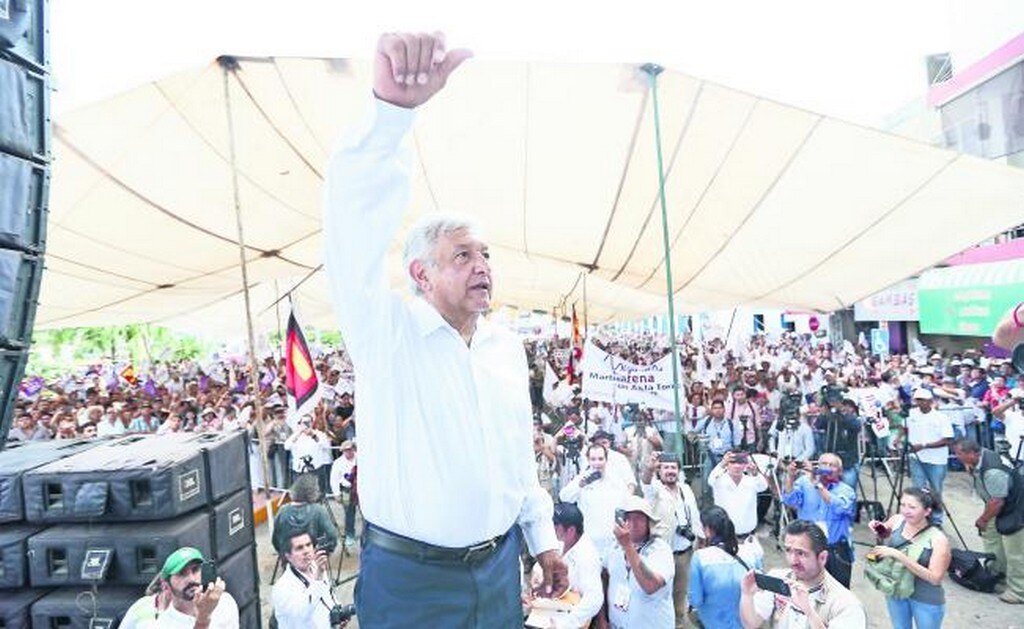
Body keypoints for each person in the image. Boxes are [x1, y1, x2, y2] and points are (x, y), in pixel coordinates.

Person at [323, 32, 565, 626]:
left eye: (485, 254)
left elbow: (515, 457)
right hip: (412, 584)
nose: (482, 266)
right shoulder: (387, 336)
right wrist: (390, 117)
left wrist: (542, 537)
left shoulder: (505, 348)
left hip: (499, 570)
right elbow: (350, 235)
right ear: (420, 275)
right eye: (462, 256)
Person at [739, 519, 866, 628]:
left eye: (801, 553)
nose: (793, 561)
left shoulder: (845, 604)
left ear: (822, 558)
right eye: (788, 550)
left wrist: (809, 612)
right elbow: (751, 623)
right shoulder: (778, 579)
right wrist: (747, 595)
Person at [953, 438, 1024, 604]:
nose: (956, 456)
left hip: (1014, 509)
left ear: (972, 453)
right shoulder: (981, 457)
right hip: (1000, 505)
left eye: (959, 453)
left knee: (1016, 552)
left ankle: (1019, 591)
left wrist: (983, 519)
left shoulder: (992, 471)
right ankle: (998, 577)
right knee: (992, 540)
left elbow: (997, 502)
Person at [868, 488, 951, 629]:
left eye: (912, 507)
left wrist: (899, 556)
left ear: (927, 511)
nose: (905, 511)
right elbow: (886, 534)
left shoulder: (938, 539)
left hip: (925, 598)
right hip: (896, 589)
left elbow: (935, 578)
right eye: (902, 505)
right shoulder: (898, 520)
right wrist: (879, 529)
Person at [641, 452, 704, 628]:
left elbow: (696, 515)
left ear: (678, 470)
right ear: (659, 471)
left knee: (680, 594)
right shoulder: (654, 490)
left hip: (685, 553)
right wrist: (649, 467)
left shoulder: (686, 489)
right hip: (662, 554)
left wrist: (701, 539)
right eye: (666, 467)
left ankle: (678, 624)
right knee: (659, 595)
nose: (670, 471)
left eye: (673, 468)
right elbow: (645, 481)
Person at [781, 452, 857, 587]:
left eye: (831, 465)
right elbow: (789, 499)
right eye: (823, 464)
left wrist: (817, 485)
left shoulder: (846, 491)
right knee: (806, 588)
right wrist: (791, 477)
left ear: (839, 472)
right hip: (808, 550)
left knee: (838, 591)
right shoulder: (804, 482)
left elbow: (840, 507)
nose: (826, 468)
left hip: (835, 551)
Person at [121, 547, 239, 628]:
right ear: (166, 585)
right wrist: (203, 618)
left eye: (195, 570)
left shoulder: (226, 602)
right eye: (182, 573)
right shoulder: (160, 625)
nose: (192, 579)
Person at [603, 495, 675, 628]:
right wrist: (602, 618)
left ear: (649, 523)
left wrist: (628, 546)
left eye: (638, 518)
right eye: (628, 518)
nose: (632, 523)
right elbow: (603, 575)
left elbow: (651, 585)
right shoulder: (614, 547)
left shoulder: (660, 549)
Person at [527, 503, 602, 628]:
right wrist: (538, 574)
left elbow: (594, 599)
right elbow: (544, 562)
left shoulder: (587, 556)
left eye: (556, 526)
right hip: (550, 610)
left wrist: (565, 624)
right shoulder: (560, 542)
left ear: (571, 531)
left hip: (570, 619)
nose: (552, 529)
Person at [688, 505, 757, 629]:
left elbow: (695, 600)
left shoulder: (700, 557)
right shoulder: (751, 552)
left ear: (708, 530)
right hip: (745, 623)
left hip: (713, 623)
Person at [560, 443, 632, 559]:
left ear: (606, 459)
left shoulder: (616, 481)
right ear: (588, 460)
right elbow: (564, 497)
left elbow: (625, 504)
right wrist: (579, 485)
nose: (597, 463)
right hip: (589, 541)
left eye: (600, 459)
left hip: (611, 541)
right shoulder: (581, 479)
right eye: (593, 459)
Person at [272, 529, 348, 628]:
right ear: (288, 556)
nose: (306, 551)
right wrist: (317, 579)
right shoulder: (281, 588)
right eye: (299, 548)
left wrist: (339, 615)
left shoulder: (316, 567)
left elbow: (328, 597)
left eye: (308, 545)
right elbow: (301, 615)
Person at [708, 450, 769, 564]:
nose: (737, 466)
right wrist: (722, 463)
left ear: (745, 465)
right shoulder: (719, 479)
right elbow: (710, 480)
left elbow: (763, 486)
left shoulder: (751, 480)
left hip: (747, 539)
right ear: (727, 464)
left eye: (740, 463)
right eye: (733, 462)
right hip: (724, 539)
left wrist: (755, 473)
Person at [905, 389, 953, 524]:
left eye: (922, 400)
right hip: (916, 458)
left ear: (930, 401)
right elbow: (906, 428)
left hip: (936, 460)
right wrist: (900, 438)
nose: (919, 403)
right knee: (918, 489)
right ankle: (919, 518)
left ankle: (936, 519)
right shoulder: (912, 414)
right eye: (917, 400)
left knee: (936, 490)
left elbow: (947, 440)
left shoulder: (941, 417)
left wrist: (924, 445)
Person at [271, 474, 339, 555]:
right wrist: (325, 552)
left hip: (289, 555)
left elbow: (275, 539)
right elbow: (332, 536)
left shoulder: (282, 511)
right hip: (313, 556)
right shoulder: (318, 511)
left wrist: (284, 553)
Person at [328, 440, 358, 548]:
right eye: (346, 450)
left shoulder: (360, 458)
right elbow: (334, 479)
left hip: (360, 488)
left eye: (350, 449)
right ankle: (350, 534)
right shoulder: (338, 463)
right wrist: (336, 493)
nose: (348, 452)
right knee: (349, 512)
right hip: (347, 489)